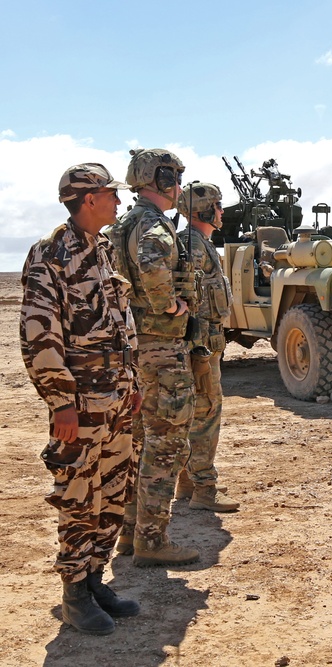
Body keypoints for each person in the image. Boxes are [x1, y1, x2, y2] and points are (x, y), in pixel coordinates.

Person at [20, 163, 141, 634]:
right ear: (88, 198)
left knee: (112, 492)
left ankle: (95, 580)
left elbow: (121, 325)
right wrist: (60, 402)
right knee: (77, 497)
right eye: (111, 193)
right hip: (81, 408)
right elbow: (39, 335)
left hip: (117, 402)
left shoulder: (105, 250)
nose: (117, 201)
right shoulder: (50, 255)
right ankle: (73, 594)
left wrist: (132, 385)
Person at [113, 148, 200, 567]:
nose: (179, 185)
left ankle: (131, 534)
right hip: (161, 346)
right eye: (175, 177)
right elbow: (152, 265)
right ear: (162, 179)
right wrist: (169, 305)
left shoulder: (127, 221)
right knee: (167, 442)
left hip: (138, 346)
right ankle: (152, 540)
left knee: (143, 440)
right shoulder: (152, 225)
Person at [175, 182, 240, 513]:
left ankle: (187, 483)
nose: (222, 212)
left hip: (204, 346)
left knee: (196, 414)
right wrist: (199, 350)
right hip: (201, 348)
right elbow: (191, 302)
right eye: (217, 206)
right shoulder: (195, 248)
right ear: (204, 211)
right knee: (207, 414)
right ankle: (204, 489)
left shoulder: (199, 244)